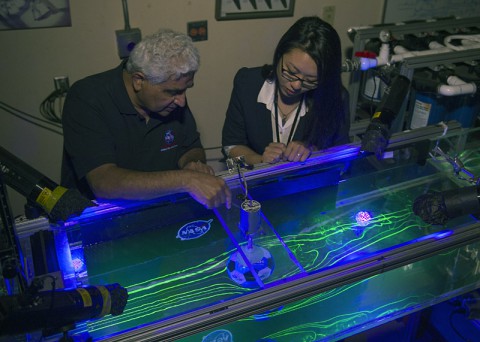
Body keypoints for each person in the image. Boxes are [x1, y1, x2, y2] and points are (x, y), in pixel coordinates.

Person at [61, 29, 231, 209]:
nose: (182, 101)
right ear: (138, 81)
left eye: (185, 89)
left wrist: (192, 164)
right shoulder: (87, 98)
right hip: (100, 218)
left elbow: (191, 148)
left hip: (160, 210)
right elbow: (104, 182)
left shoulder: (170, 98)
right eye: (173, 92)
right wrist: (186, 180)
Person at [222, 16, 350, 166]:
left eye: (310, 80)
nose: (296, 85)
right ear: (279, 55)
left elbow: (342, 155)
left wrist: (313, 151)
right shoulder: (247, 83)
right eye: (290, 71)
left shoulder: (336, 96)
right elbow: (230, 149)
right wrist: (260, 160)